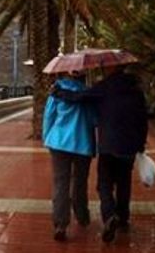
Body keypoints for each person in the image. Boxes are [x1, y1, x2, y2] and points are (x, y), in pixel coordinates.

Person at [52, 64, 148, 243]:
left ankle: (109, 216)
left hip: (109, 144)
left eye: (105, 67)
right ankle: (123, 217)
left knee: (104, 184)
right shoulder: (136, 89)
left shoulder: (105, 87)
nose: (103, 69)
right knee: (124, 182)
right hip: (129, 145)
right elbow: (143, 118)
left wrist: (60, 93)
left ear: (112, 69)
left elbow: (80, 97)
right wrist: (141, 143)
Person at [42, 71, 97, 242]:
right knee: (79, 181)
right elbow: (95, 120)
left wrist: (47, 138)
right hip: (83, 143)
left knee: (60, 183)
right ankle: (82, 215)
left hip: (58, 143)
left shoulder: (56, 92)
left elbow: (48, 117)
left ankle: (60, 224)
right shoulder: (88, 95)